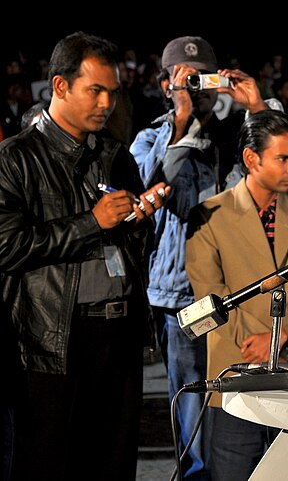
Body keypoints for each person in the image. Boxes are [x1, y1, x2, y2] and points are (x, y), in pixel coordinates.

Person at [0, 31, 170, 480]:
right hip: (51, 341)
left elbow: (127, 243)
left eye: (112, 92)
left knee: (111, 466)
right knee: (49, 466)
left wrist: (138, 219)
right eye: (94, 90)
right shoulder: (14, 159)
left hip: (118, 336)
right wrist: (91, 222)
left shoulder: (115, 156)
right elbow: (6, 246)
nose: (106, 103)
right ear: (60, 86)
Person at [130, 36, 269, 480]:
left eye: (204, 77)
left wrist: (258, 107)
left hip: (238, 293)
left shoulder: (240, 133)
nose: (198, 86)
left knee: (242, 408)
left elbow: (283, 164)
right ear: (165, 82)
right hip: (181, 297)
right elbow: (147, 192)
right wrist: (183, 123)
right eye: (186, 79)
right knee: (190, 409)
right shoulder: (152, 136)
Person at [185, 109, 288, 481]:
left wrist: (283, 333)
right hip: (235, 373)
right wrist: (258, 340)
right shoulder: (209, 216)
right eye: (283, 158)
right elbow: (209, 293)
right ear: (252, 158)